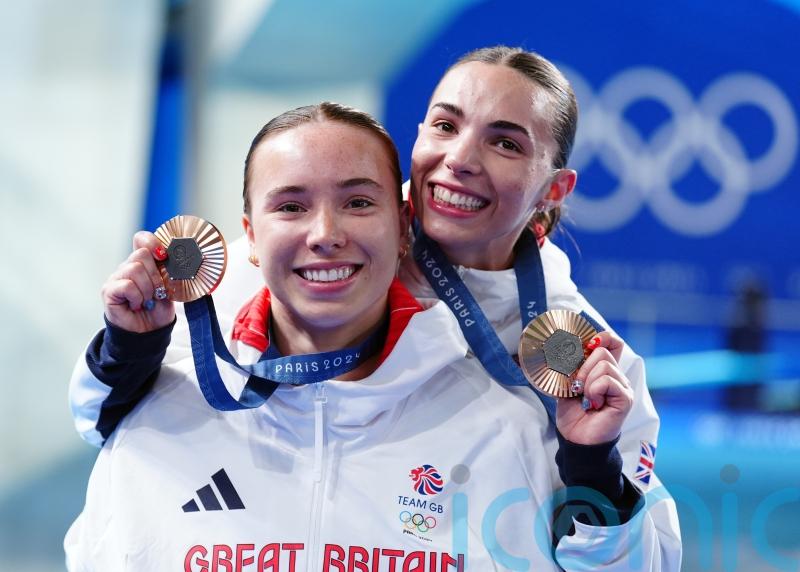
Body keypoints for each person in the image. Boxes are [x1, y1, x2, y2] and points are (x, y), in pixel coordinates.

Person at [68, 46, 681, 569]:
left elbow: (639, 558)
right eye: (446, 125)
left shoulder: (583, 359)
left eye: (504, 143)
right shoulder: (257, 273)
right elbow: (105, 418)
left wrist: (592, 463)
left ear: (555, 189)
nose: (461, 158)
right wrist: (130, 341)